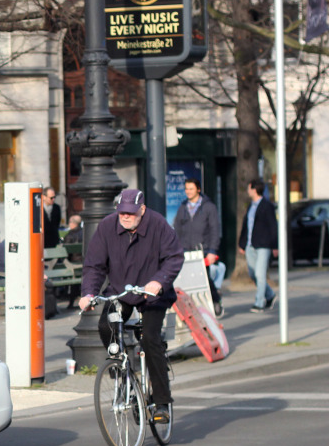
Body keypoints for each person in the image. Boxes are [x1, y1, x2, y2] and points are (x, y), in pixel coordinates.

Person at [79, 189, 184, 424]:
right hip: (121, 291)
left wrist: (159, 281)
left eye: (130, 213)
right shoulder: (107, 227)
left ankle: (162, 402)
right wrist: (88, 293)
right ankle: (123, 375)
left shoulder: (158, 225)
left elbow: (174, 257)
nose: (125, 217)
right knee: (106, 326)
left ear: (142, 210)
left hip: (152, 294)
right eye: (121, 213)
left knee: (150, 338)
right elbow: (94, 265)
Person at [173, 178, 225, 316]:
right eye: (186, 189)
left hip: (203, 249)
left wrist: (212, 251)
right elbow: (177, 228)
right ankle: (194, 309)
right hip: (185, 250)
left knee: (205, 278)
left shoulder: (209, 207)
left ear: (198, 189)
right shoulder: (183, 207)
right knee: (188, 280)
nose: (188, 192)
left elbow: (215, 229)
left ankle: (215, 300)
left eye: (191, 188)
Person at [240, 178, 279, 313]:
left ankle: (259, 303)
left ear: (254, 189)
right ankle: (270, 295)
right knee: (252, 274)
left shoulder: (267, 206)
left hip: (263, 245)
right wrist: (242, 243)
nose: (247, 190)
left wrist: (275, 245)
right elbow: (246, 226)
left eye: (249, 188)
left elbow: (273, 226)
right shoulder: (251, 205)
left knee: (260, 274)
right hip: (250, 245)